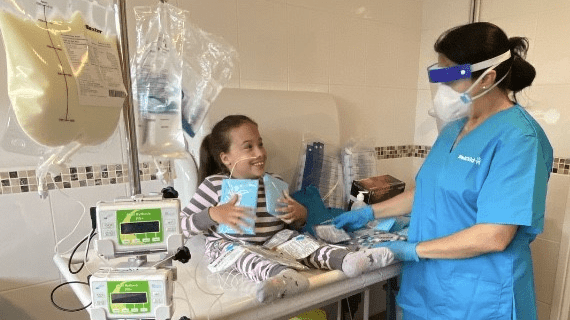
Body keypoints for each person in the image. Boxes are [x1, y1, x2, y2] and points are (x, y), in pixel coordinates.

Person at [333, 22, 553, 320]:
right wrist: (367, 214)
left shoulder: (518, 139)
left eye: (450, 77)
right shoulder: (453, 130)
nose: (442, 89)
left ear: (487, 78)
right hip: (426, 290)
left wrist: (410, 250)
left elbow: (494, 235)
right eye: (439, 75)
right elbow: (427, 191)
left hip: (479, 300)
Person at [180, 114, 393, 303]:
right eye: (248, 147)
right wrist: (213, 214)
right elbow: (181, 226)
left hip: (273, 240)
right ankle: (282, 276)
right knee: (242, 254)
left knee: (302, 242)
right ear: (226, 158)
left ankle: (348, 259)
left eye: (260, 144)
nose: (260, 152)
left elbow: (290, 223)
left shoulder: (274, 181)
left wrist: (299, 215)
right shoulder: (214, 185)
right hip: (232, 243)